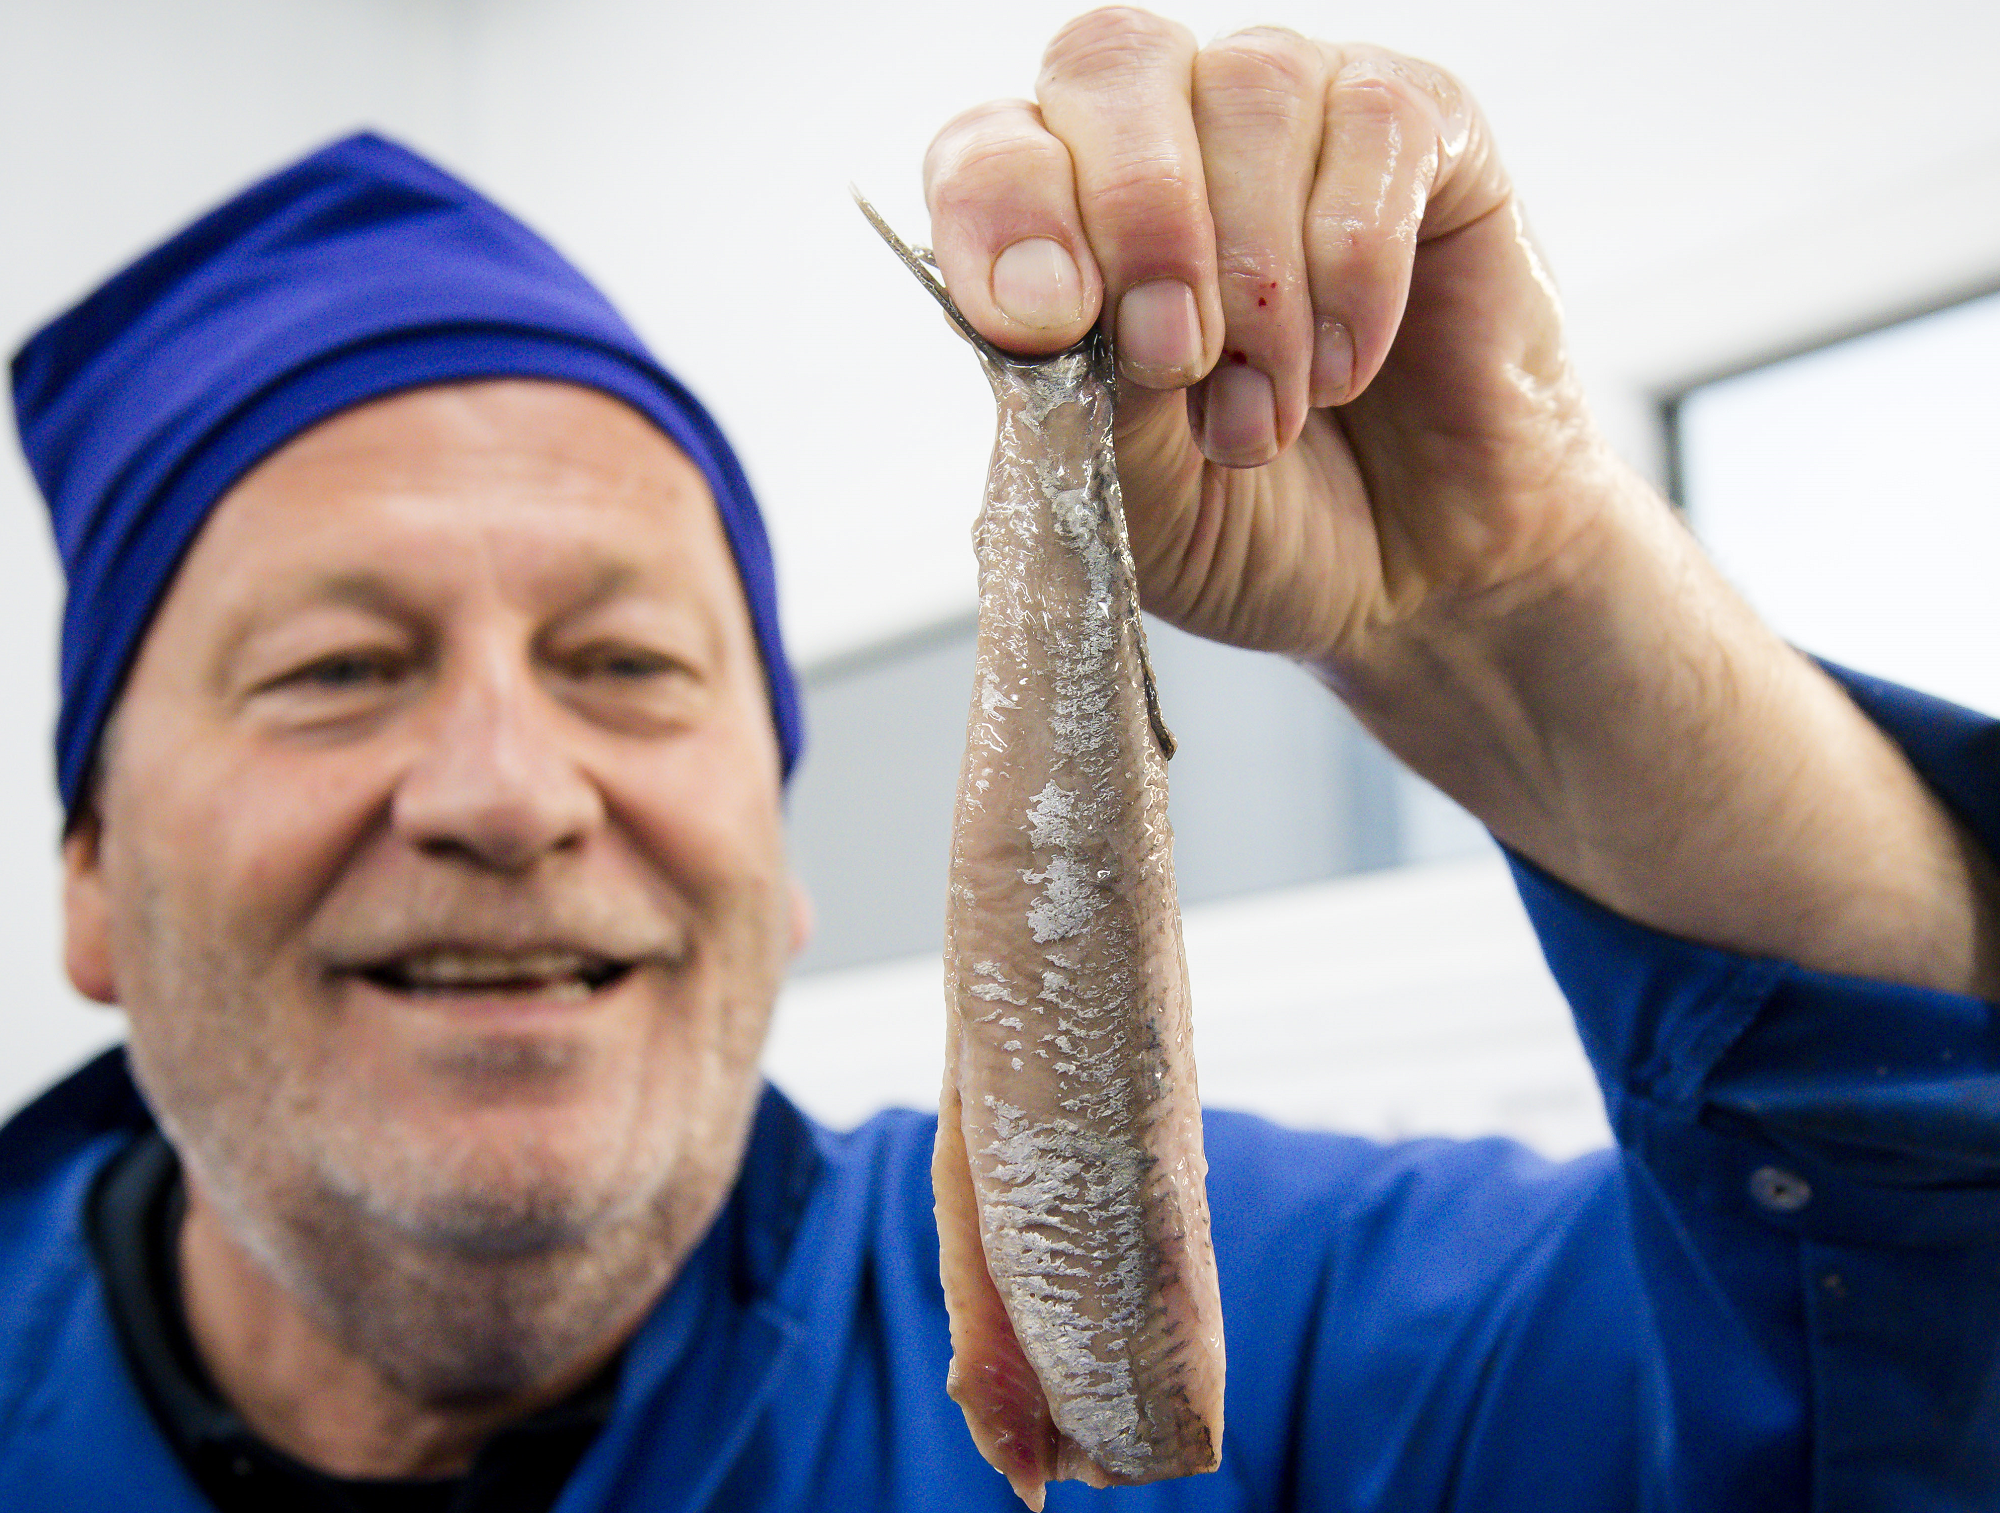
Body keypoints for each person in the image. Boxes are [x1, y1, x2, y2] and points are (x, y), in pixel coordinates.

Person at [4, 8, 1997, 1509]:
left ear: (772, 853)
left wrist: (1520, 596)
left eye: (627, 663)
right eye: (337, 670)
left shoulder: (1317, 1333)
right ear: (86, 867)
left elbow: (1908, 1338)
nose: (515, 793)